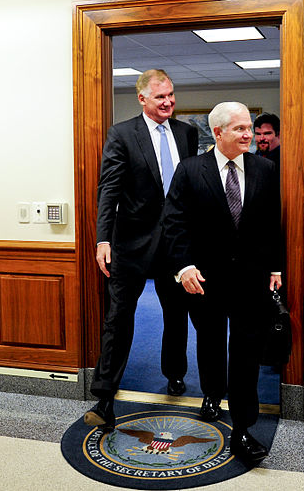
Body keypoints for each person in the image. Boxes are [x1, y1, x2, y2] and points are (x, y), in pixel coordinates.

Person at [162, 101, 283, 466]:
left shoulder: (265, 169)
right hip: (205, 280)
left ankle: (243, 428)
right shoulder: (190, 170)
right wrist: (183, 267)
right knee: (212, 342)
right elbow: (174, 223)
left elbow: (273, 222)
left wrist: (276, 267)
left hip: (251, 279)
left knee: (247, 353)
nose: (249, 135)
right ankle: (212, 393)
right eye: (240, 129)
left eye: (250, 128)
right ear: (218, 133)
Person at [83, 69, 199, 431]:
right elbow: (109, 190)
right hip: (130, 244)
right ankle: (104, 397)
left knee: (176, 314)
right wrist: (103, 239)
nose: (168, 102)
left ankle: (175, 373)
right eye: (160, 96)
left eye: (171, 95)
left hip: (176, 243)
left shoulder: (187, 133)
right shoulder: (122, 134)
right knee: (118, 319)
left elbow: (189, 190)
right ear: (143, 99)